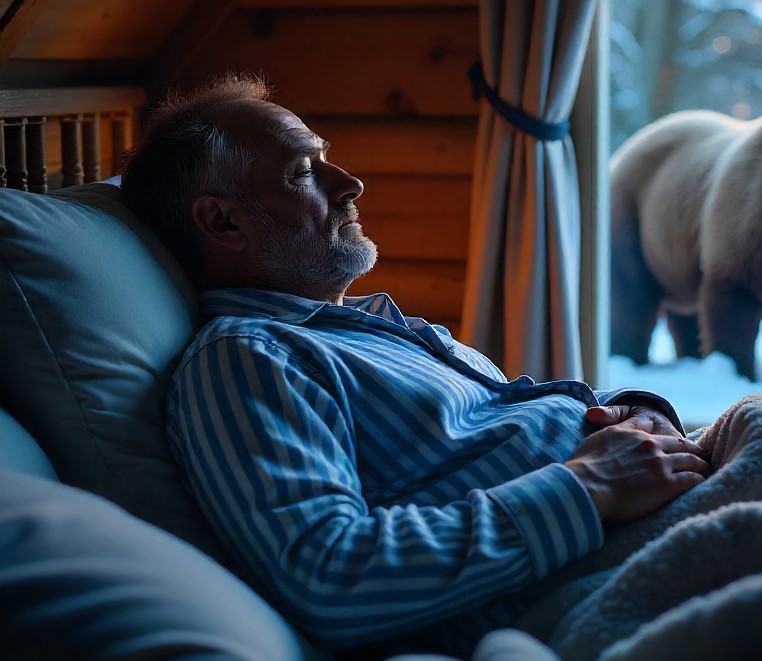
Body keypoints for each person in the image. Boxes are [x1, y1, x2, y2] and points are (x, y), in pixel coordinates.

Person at [121, 74, 710, 656]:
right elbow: (330, 576)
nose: (349, 183)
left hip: (664, 511)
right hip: (604, 578)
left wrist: (637, 414)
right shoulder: (246, 359)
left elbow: (513, 421)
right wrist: (590, 484)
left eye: (327, 159)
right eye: (304, 172)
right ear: (223, 222)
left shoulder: (376, 328)